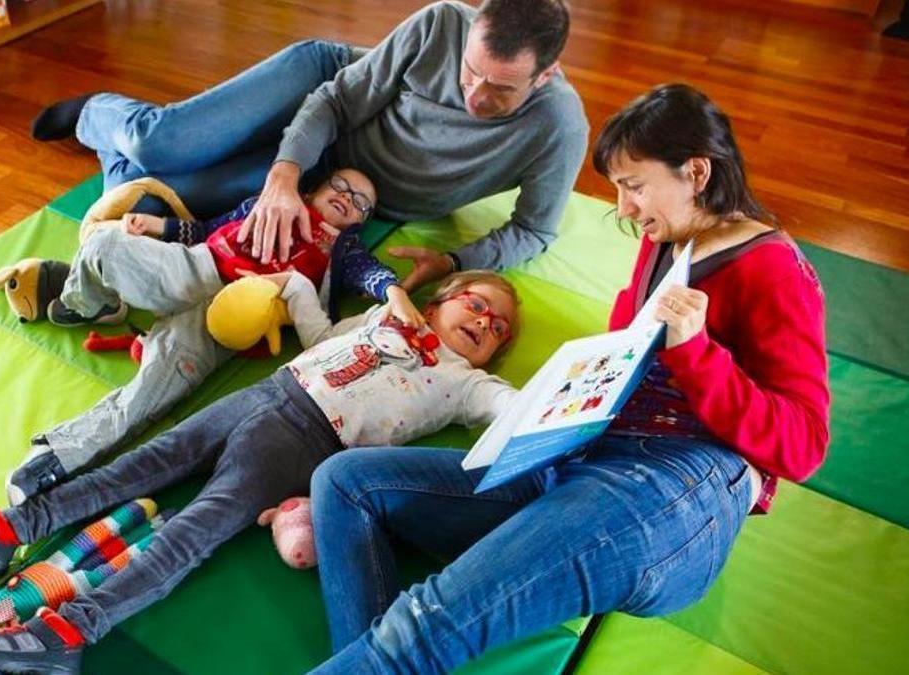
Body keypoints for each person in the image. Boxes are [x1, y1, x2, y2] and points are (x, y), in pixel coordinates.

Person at [305, 83, 832, 673]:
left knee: (426, 622)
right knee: (344, 484)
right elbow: (621, 346)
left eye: (635, 187)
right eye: (619, 190)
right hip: (583, 459)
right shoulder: (665, 236)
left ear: (698, 171)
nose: (625, 209)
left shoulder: (775, 269)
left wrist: (698, 353)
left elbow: (805, 444)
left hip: (672, 487)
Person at [0, 269, 522, 675]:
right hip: (271, 389)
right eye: (478, 305)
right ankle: (10, 530)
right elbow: (316, 325)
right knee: (145, 463)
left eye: (497, 330)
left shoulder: (466, 383)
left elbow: (513, 408)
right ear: (441, 300)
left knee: (195, 528)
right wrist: (318, 286)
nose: (484, 324)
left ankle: (72, 632)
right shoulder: (383, 318)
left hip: (308, 440)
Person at [31, 0, 587, 292]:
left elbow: (532, 230)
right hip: (322, 90)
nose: (475, 94)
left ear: (545, 75)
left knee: (145, 208)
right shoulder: (440, 22)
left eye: (500, 88)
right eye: (470, 73)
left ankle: (116, 157)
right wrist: (281, 176)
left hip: (341, 180)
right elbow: (338, 100)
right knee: (162, 144)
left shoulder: (559, 126)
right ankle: (97, 113)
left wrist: (453, 261)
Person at [6, 168, 418, 505]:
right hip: (194, 268)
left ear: (361, 221)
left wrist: (394, 291)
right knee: (104, 242)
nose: (347, 197)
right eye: (340, 185)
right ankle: (92, 303)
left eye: (360, 202)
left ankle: (55, 457)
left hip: (225, 321)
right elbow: (206, 228)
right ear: (315, 187)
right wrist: (158, 225)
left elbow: (371, 274)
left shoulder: (344, 251)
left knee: (146, 397)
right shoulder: (268, 202)